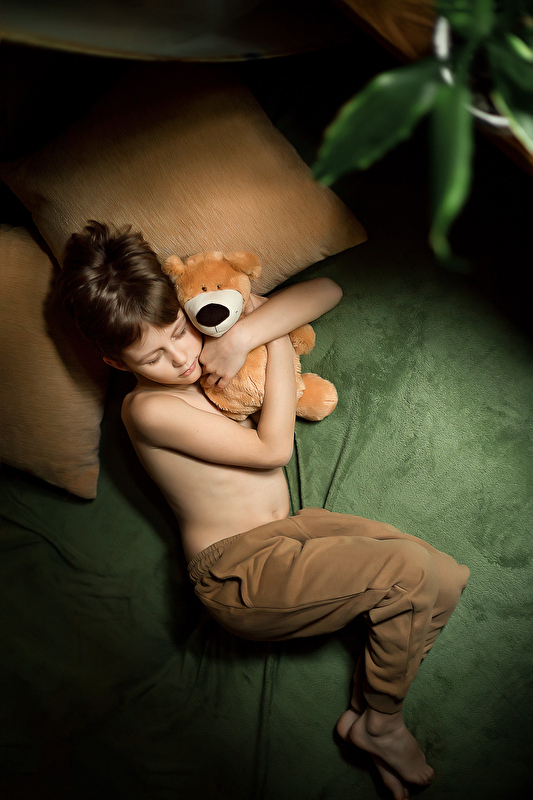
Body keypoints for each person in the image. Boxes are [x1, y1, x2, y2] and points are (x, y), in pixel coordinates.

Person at [58, 221, 469, 800]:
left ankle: (365, 717)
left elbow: (326, 291)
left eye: (177, 331)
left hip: (293, 535)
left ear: (179, 306)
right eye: (153, 356)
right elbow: (272, 450)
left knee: (445, 578)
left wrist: (242, 333)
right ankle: (383, 721)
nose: (181, 357)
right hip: (240, 572)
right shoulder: (148, 410)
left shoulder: (208, 331)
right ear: (117, 363)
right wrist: (272, 340)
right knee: (409, 574)